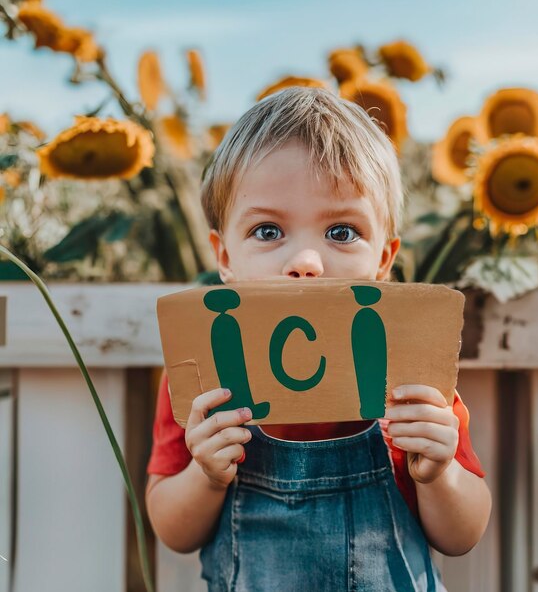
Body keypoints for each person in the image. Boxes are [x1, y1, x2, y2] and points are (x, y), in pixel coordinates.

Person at [146, 87, 492, 591]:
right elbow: (172, 530)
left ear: (384, 258)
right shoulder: (203, 374)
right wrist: (207, 475)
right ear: (224, 258)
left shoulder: (409, 374)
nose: (305, 263)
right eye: (268, 231)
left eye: (342, 232)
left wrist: (440, 474)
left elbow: (463, 535)